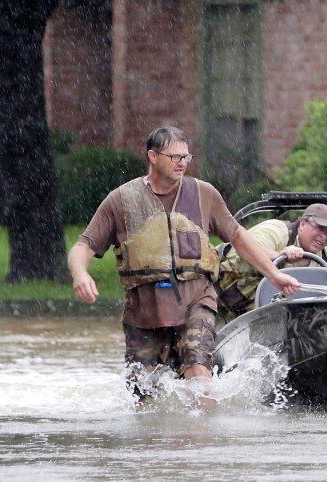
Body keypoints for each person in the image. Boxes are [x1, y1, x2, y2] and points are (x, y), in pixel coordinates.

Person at [67, 126, 299, 406]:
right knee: (144, 396)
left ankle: (201, 442)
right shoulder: (121, 200)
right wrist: (80, 274)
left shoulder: (205, 194)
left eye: (186, 157)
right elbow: (83, 247)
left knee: (199, 369)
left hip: (196, 300)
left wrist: (273, 273)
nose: (181, 163)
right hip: (144, 312)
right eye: (174, 156)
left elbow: (238, 236)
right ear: (152, 156)